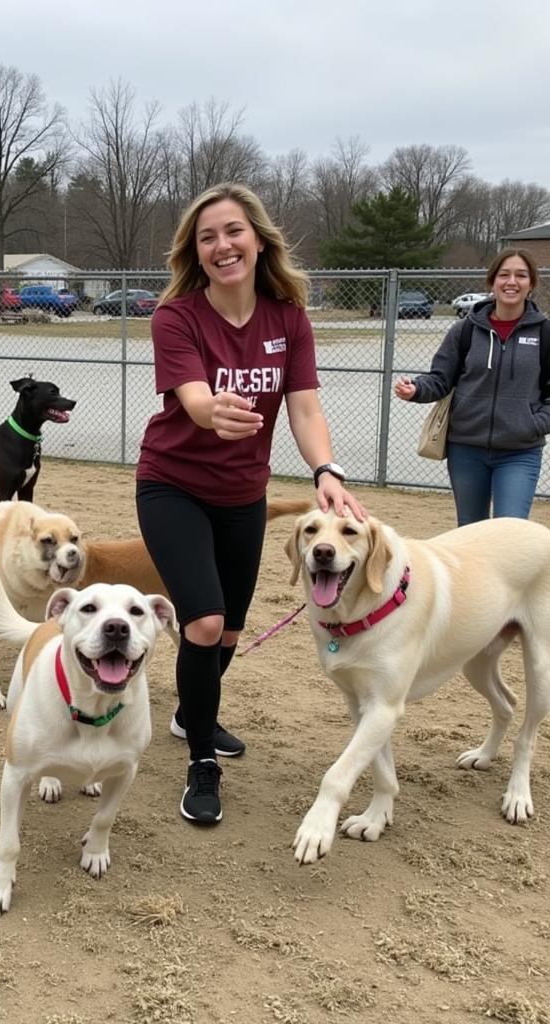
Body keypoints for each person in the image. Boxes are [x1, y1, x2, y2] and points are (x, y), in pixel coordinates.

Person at [135, 182, 366, 826]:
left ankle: (190, 713)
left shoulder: (288, 317)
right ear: (195, 251)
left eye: (232, 231)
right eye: (207, 237)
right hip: (172, 485)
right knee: (203, 623)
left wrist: (325, 467)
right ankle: (201, 761)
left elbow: (306, 406)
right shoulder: (176, 316)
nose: (222, 245)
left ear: (258, 240)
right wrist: (215, 410)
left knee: (229, 631)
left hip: (243, 495)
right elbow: (194, 397)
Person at [395, 249, 549, 527]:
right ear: (492, 282)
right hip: (466, 449)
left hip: (519, 451)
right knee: (471, 533)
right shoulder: (463, 330)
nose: (511, 281)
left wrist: (533, 424)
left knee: (510, 531)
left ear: (531, 284)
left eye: (521, 275)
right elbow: (441, 379)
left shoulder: (545, 334)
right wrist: (416, 389)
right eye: (504, 275)